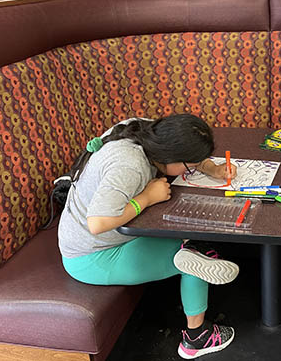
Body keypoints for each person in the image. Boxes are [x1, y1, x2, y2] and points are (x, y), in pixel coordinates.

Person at [58, 114, 239, 360]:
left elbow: (184, 158)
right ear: (170, 155)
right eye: (191, 166)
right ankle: (196, 338)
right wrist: (147, 198)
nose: (193, 169)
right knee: (195, 258)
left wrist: (212, 168)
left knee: (194, 242)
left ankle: (194, 261)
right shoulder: (130, 166)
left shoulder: (144, 129)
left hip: (109, 239)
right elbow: (97, 223)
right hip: (92, 256)